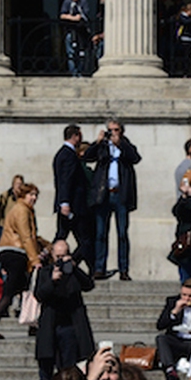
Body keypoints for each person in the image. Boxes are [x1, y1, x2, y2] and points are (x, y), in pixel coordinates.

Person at [31, 241, 96, 380]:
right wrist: (52, 280)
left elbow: (88, 285)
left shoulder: (73, 273)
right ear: (52, 256)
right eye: (58, 256)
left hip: (70, 329)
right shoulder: (45, 272)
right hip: (50, 328)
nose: (61, 260)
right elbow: (39, 294)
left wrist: (74, 267)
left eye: (64, 255)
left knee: (69, 373)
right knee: (46, 375)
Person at [85, 120, 141, 281]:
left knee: (122, 233)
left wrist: (121, 145)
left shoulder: (126, 146)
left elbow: (135, 158)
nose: (113, 133)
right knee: (101, 233)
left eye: (116, 130)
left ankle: (124, 268)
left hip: (121, 194)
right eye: (110, 130)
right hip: (103, 194)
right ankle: (99, 267)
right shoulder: (102, 147)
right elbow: (88, 156)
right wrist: (97, 142)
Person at [0, 183, 42, 341]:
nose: (34, 198)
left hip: (10, 252)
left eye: (35, 195)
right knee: (11, 291)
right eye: (31, 195)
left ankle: (32, 326)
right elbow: (26, 236)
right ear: (23, 196)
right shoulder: (22, 210)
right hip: (16, 252)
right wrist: (35, 259)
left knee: (25, 287)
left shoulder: (21, 209)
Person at [51, 125, 91, 265]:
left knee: (62, 235)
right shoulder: (69, 156)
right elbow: (66, 181)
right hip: (73, 206)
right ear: (75, 136)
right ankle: (70, 263)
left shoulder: (61, 154)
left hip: (68, 204)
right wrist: (65, 202)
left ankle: (51, 262)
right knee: (85, 240)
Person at [59, 0, 96, 78]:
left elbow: (84, 15)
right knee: (70, 53)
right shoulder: (67, 2)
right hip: (70, 31)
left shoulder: (83, 2)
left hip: (81, 31)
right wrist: (73, 18)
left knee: (81, 53)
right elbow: (62, 15)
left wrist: (79, 17)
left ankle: (80, 72)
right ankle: (73, 73)